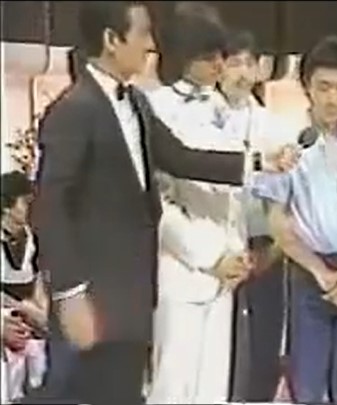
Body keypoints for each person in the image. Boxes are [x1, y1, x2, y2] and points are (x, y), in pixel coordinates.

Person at [33, 2, 282, 404]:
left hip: (133, 294)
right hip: (92, 295)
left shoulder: (135, 103)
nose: (151, 45)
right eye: (143, 34)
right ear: (111, 40)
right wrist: (68, 292)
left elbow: (181, 159)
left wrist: (257, 162)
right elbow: (51, 208)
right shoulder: (74, 110)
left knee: (128, 392)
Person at [251, 35, 337, 403]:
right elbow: (277, 220)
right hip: (308, 274)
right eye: (324, 87)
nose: (333, 98)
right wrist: (320, 272)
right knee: (306, 387)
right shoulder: (285, 141)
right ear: (307, 87)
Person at [145, 16, 246, 404]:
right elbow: (157, 201)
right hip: (181, 267)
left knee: (213, 389)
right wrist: (207, 255)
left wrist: (235, 249)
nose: (220, 64)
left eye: (221, 55)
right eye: (209, 56)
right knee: (174, 384)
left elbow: (234, 190)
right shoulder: (155, 108)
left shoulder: (222, 107)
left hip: (225, 273)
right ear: (183, 56)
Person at [219, 29, 300, 402]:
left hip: (267, 246)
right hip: (220, 248)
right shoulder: (205, 121)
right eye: (232, 62)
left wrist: (274, 248)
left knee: (265, 344)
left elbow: (290, 196)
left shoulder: (277, 127)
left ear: (259, 69)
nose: (240, 72)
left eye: (247, 63)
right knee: (223, 346)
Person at [1, 171, 48, 404]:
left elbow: (38, 281)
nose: (32, 208)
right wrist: (21, 308)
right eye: (25, 202)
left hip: (29, 317)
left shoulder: (32, 239)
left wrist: (40, 312)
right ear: (7, 206)